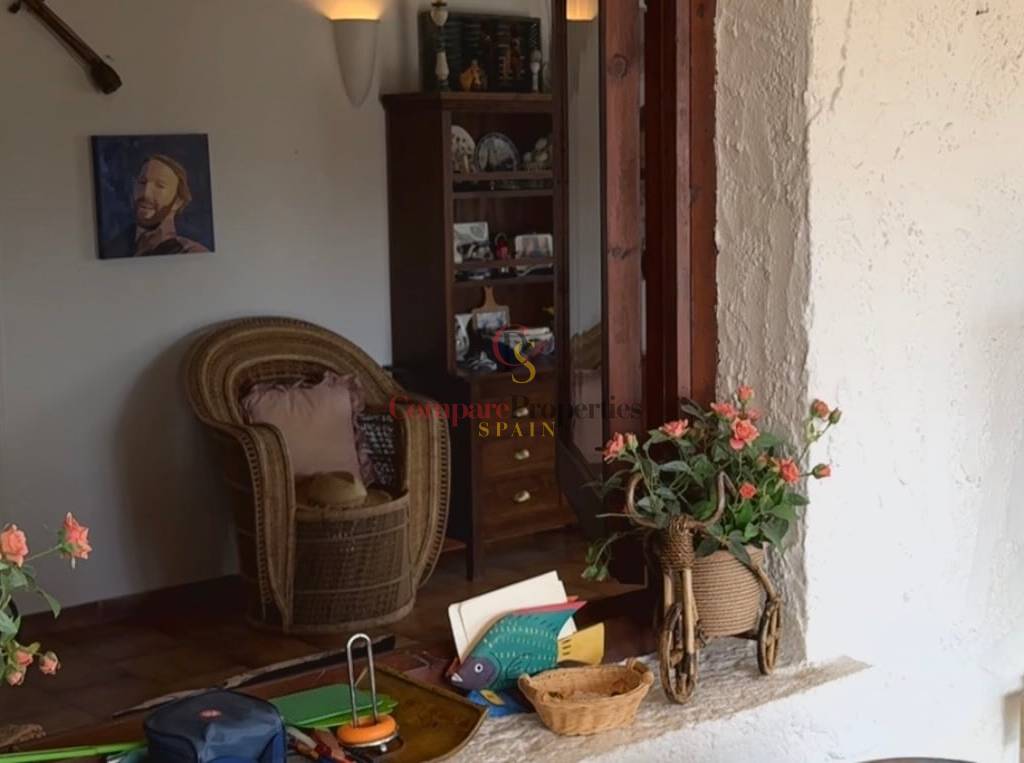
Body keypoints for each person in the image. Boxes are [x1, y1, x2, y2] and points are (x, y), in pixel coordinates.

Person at [102, 154, 209, 258]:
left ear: (178, 202)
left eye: (160, 186)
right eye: (142, 182)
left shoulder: (191, 253)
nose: (146, 193)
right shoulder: (112, 247)